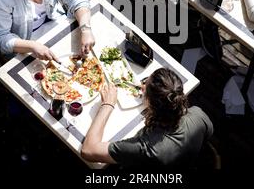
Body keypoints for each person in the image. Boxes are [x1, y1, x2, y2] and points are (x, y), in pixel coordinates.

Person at [81, 68, 213, 168]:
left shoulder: (144, 147)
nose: (142, 87)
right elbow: (208, 136)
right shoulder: (198, 114)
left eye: (145, 85)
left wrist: (107, 105)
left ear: (150, 102)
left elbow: (88, 150)